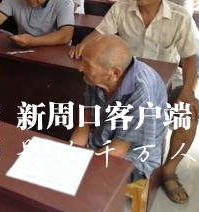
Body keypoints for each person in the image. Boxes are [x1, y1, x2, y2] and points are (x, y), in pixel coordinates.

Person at [71, 0, 199, 204]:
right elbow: (99, 34)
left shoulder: (179, 16)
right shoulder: (122, 8)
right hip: (124, 75)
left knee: (187, 113)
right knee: (99, 92)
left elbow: (190, 58)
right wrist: (85, 47)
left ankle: (169, 170)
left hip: (164, 82)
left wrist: (187, 92)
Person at [70, 35, 167, 181]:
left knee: (87, 183)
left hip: (132, 156)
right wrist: (71, 153)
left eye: (87, 65)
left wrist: (80, 168)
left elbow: (119, 149)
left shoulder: (141, 92)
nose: (80, 68)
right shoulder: (96, 77)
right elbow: (85, 124)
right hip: (100, 141)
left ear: (114, 73)